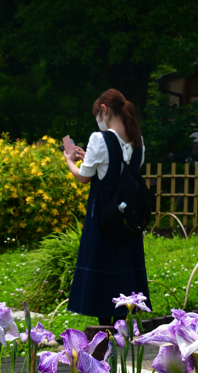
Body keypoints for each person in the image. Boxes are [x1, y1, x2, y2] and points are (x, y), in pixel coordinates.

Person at [62, 88, 149, 325]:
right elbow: (124, 172)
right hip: (128, 218)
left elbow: (84, 176)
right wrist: (90, 158)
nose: (98, 120)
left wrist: (70, 161)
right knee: (124, 271)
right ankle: (123, 330)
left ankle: (105, 332)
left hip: (104, 217)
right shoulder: (138, 141)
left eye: (97, 115)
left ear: (104, 110)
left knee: (103, 275)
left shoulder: (99, 139)